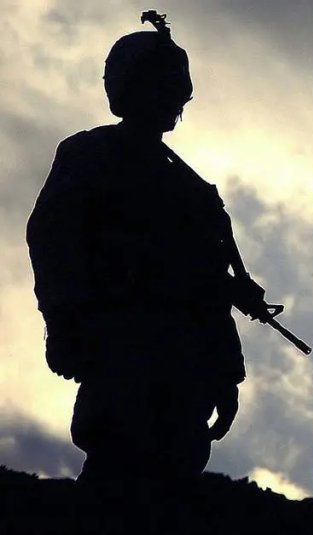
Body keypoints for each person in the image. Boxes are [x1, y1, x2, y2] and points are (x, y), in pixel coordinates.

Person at [26, 11, 269, 488]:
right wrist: (64, 322)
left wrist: (225, 373)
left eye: (175, 88)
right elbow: (53, 241)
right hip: (121, 347)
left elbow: (206, 287)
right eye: (162, 85)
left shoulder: (192, 188)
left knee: (175, 480)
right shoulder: (91, 155)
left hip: (185, 369)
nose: (173, 100)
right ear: (130, 88)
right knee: (115, 473)